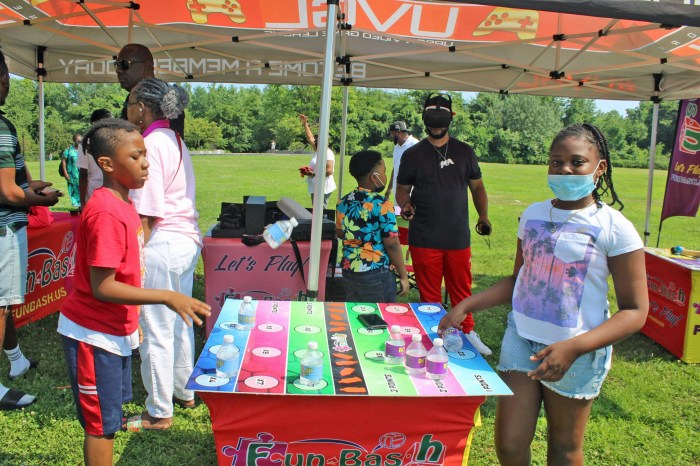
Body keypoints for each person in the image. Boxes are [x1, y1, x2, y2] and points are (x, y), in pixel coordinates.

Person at [438, 123, 648, 465]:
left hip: (577, 352)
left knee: (564, 449)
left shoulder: (615, 227)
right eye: (555, 161)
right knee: (509, 444)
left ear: (600, 168)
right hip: (521, 339)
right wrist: (468, 303)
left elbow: (635, 311)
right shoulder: (533, 215)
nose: (564, 169)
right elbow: (520, 279)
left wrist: (574, 347)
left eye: (576, 162)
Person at [58, 118, 210, 465]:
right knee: (101, 426)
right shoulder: (106, 212)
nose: (146, 163)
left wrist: (133, 321)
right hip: (92, 335)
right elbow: (104, 286)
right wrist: (167, 296)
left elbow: (129, 272)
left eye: (145, 155)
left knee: (109, 419)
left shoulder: (125, 204)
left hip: (114, 332)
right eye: (135, 157)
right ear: (107, 164)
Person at [126, 78, 202, 430]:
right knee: (179, 320)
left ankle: (158, 411)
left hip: (162, 242)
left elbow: (148, 209)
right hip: (184, 240)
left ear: (142, 107)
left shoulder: (150, 143)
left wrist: (134, 254)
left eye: (130, 104)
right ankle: (185, 391)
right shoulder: (174, 138)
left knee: (155, 327)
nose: (127, 111)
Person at [395, 93, 493, 355]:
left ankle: (467, 331)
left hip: (457, 236)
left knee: (461, 288)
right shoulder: (413, 154)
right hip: (424, 235)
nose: (436, 128)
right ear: (426, 121)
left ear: (452, 118)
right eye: (432, 122)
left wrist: (483, 216)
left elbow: (478, 187)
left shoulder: (464, 151)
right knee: (429, 295)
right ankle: (435, 335)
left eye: (441, 122)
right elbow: (402, 189)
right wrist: (405, 204)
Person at [0, 50, 62, 410]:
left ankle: (16, 358)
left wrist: (29, 184)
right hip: (5, 228)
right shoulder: (2, 127)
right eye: (5, 75)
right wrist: (41, 200)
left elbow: (11, 181)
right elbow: (8, 192)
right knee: (3, 304)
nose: (8, 82)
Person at [336, 150, 410, 302]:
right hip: (376, 271)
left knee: (356, 314)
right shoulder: (382, 204)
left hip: (349, 269)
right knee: (380, 317)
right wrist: (403, 275)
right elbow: (392, 244)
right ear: (373, 177)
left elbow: (340, 233)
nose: (385, 176)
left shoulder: (342, 202)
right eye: (383, 171)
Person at [115, 43, 184, 138]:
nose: (118, 70)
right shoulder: (133, 96)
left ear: (146, 67)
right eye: (116, 65)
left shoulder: (165, 97)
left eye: (124, 64)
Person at [299, 113, 336, 209]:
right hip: (317, 186)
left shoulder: (327, 153)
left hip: (323, 187)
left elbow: (329, 171)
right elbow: (310, 138)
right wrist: (305, 124)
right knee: (317, 210)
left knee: (320, 211)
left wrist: (313, 174)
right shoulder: (319, 150)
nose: (315, 141)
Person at [78, 109, 112, 207]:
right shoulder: (86, 143)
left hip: (110, 195)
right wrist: (83, 202)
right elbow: (83, 175)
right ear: (94, 123)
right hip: (94, 195)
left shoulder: (115, 141)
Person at [384, 121, 418, 205]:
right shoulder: (396, 147)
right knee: (400, 215)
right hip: (398, 190)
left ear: (398, 132)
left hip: (410, 190)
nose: (391, 136)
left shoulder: (415, 144)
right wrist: (389, 188)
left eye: (392, 133)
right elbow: (395, 168)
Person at [61, 133, 82, 207]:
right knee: (74, 189)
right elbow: (63, 161)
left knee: (82, 187)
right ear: (74, 140)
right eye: (78, 140)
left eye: (81, 140)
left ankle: (82, 204)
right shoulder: (68, 150)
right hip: (72, 173)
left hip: (81, 173)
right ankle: (77, 204)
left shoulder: (83, 149)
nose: (79, 142)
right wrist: (65, 173)